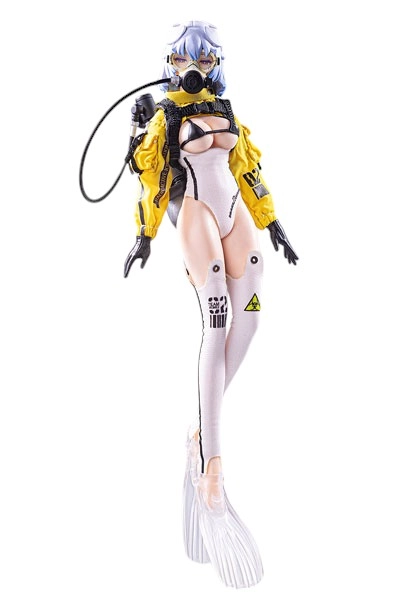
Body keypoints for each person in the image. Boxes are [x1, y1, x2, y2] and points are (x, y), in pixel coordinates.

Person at [124, 21, 298, 588]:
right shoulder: (166, 119)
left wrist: (273, 223)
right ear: (171, 63)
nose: (193, 68)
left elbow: (248, 169)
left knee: (252, 308)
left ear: (216, 63)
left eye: (202, 59)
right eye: (183, 60)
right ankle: (213, 472)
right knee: (217, 311)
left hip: (232, 214)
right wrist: (145, 235)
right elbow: (153, 181)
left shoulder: (225, 108)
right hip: (196, 213)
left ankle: (200, 433)